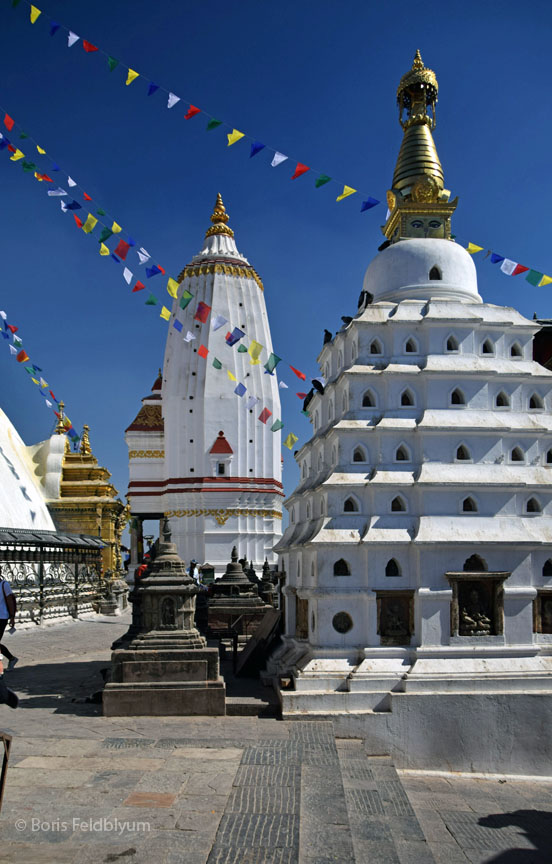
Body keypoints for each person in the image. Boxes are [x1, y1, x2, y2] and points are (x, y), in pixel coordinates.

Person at [0, 569, 18, 672]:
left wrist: (12, 617)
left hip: (2, 617)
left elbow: (10, 600)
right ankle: (11, 658)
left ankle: (11, 658)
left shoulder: (4, 585)